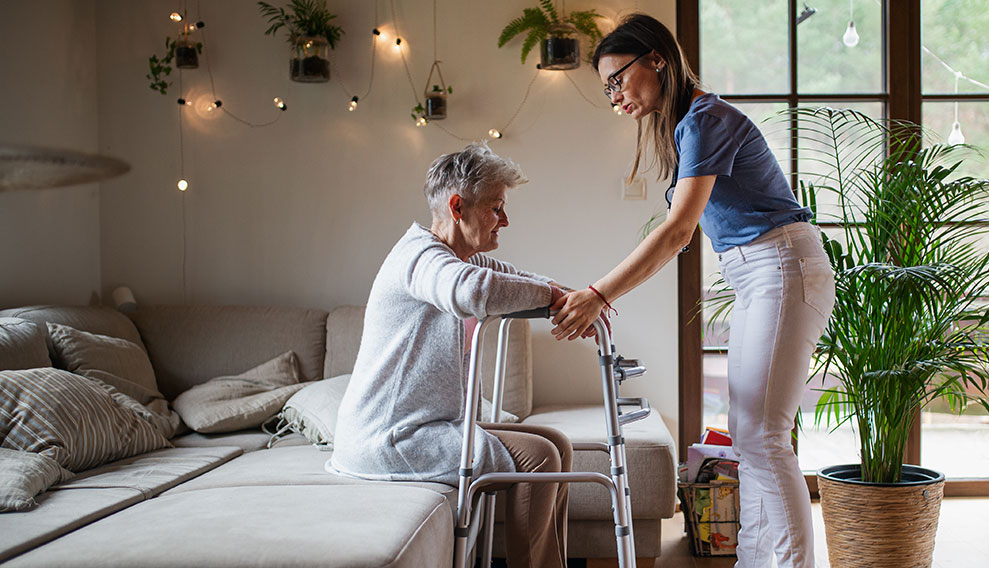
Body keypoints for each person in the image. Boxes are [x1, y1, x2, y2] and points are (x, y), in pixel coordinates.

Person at [549, 14, 835, 568]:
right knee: (751, 439)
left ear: (656, 58)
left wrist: (599, 293)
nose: (614, 96)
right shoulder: (689, 125)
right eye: (606, 88)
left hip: (782, 265)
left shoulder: (704, 118)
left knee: (765, 439)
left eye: (617, 79)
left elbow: (679, 231)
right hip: (760, 272)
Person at [328, 143, 572, 568]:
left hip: (422, 425)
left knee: (557, 443)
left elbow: (512, 277)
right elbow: (471, 292)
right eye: (496, 208)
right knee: (539, 458)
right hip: (390, 436)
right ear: (458, 206)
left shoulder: (458, 257)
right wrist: (553, 297)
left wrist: (575, 297)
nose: (506, 220)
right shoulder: (421, 257)